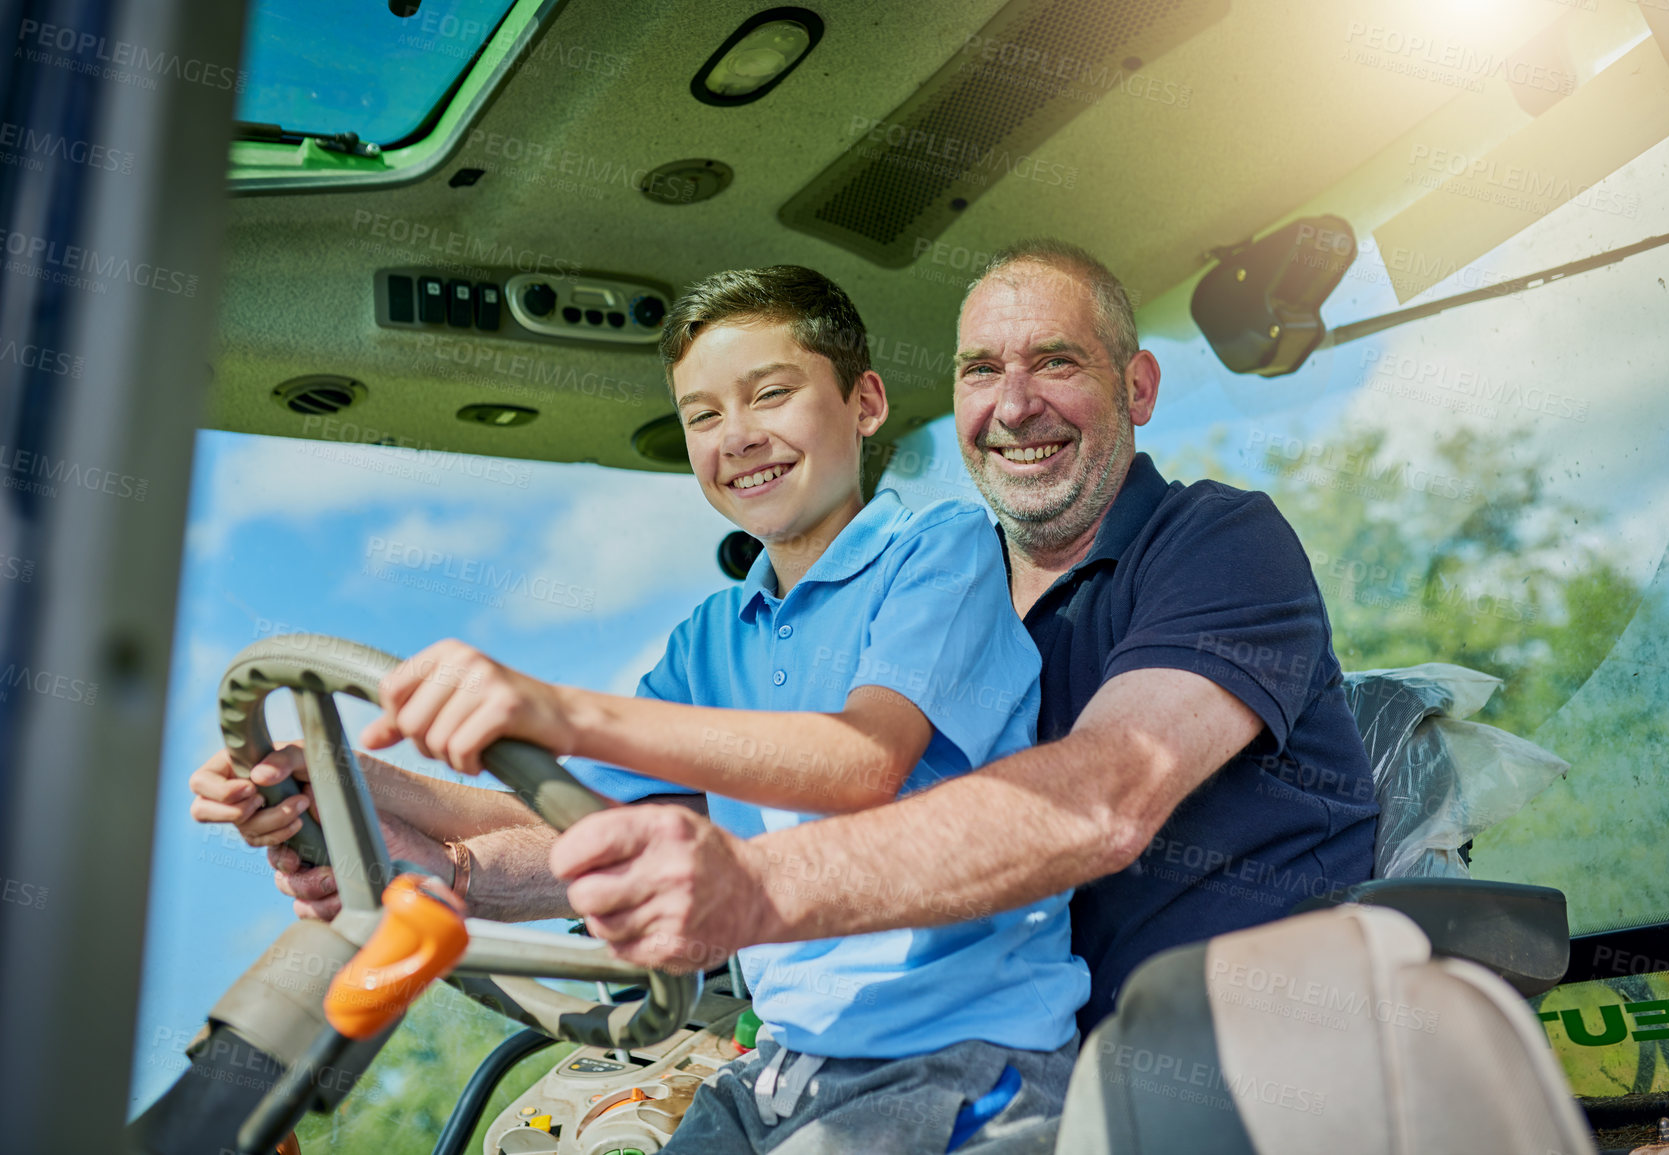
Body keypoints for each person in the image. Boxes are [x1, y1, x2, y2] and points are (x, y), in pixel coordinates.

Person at [195, 238, 1376, 1037]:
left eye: (1056, 362)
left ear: (1138, 388)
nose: (1014, 403)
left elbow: (1102, 798)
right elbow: (562, 816)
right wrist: (365, 803)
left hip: (1234, 1054)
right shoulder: (768, 625)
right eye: (980, 370)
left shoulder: (1209, 546)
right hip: (901, 1054)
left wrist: (742, 889)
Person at [193, 265, 1085, 1153]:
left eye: (769, 394)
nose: (735, 437)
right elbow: (561, 814)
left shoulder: (939, 552)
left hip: (951, 1061)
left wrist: (554, 707)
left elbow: (860, 762)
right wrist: (356, 789)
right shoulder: (711, 637)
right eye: (702, 416)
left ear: (865, 402)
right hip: (784, 1065)